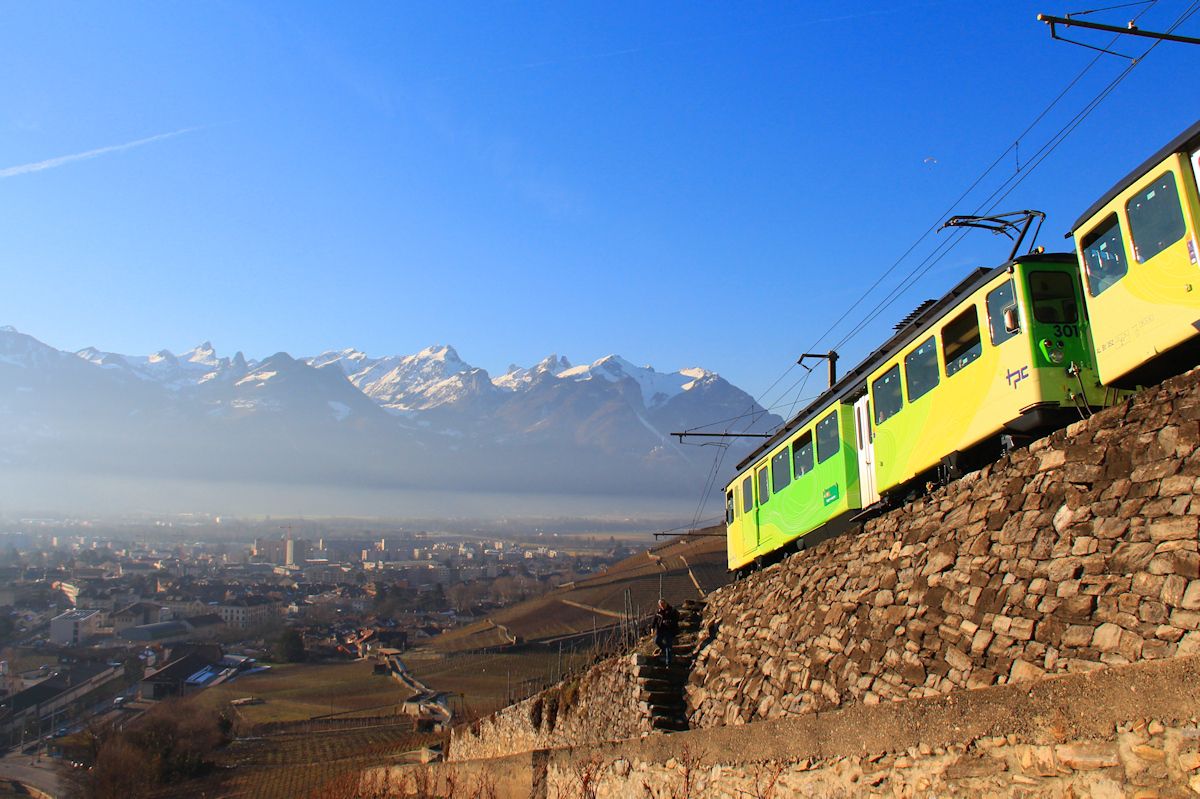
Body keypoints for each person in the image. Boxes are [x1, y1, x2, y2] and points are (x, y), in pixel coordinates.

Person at [652, 599, 680, 666]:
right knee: (657, 641)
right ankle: (664, 649)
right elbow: (655, 620)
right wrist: (652, 628)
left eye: (663, 604)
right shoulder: (659, 612)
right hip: (660, 630)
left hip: (670, 630)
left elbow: (676, 619)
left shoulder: (672, 610)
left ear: (666, 603)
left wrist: (668, 622)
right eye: (660, 605)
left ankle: (668, 663)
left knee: (668, 645)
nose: (662, 606)